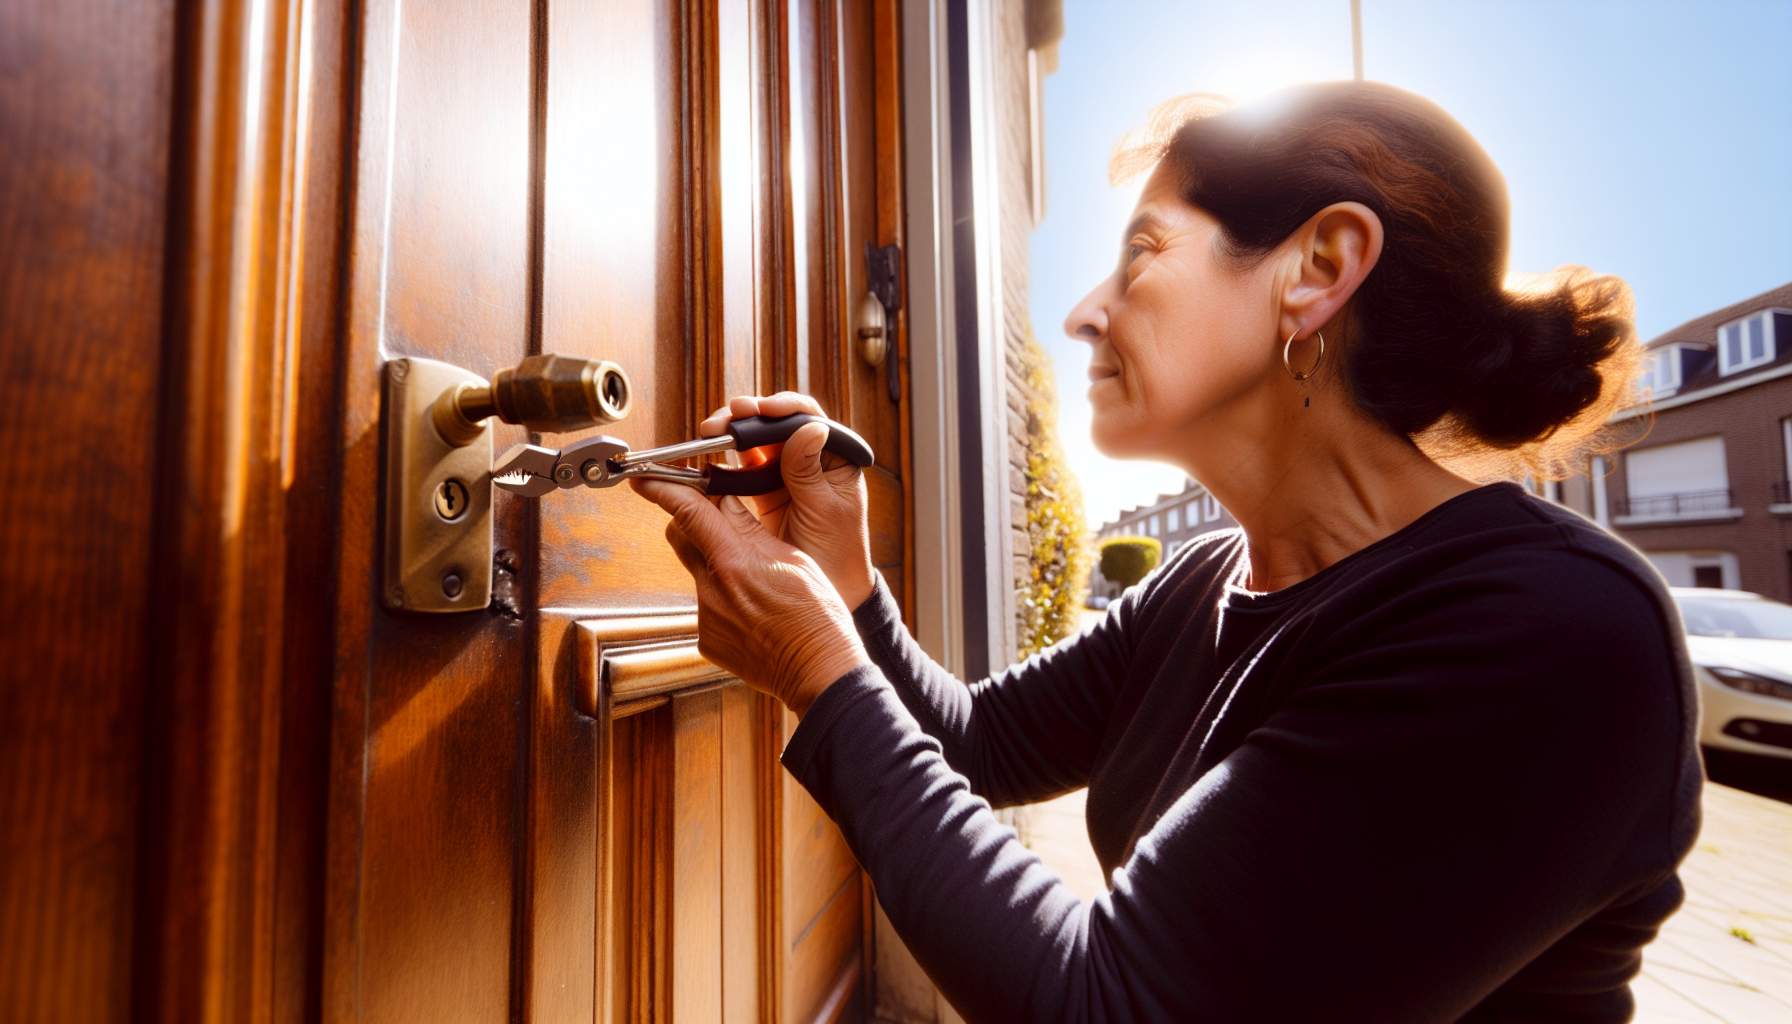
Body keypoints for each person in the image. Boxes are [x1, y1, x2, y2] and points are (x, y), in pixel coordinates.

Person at [631, 80, 1702, 1022]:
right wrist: (845, 582)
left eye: (1142, 251)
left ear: (1318, 269)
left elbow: (1113, 1004)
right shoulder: (1203, 580)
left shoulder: (1550, 632)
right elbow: (977, 745)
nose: (1083, 313)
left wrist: (818, 670)